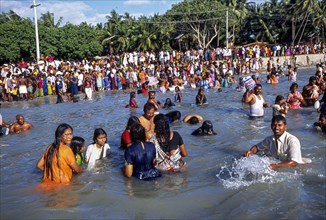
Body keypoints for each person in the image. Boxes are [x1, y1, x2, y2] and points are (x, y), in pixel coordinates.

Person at [244, 115, 310, 169]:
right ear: (271, 126)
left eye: (279, 125)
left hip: (298, 168)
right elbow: (257, 147)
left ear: (285, 127)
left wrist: (273, 166)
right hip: (280, 165)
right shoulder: (269, 139)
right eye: (274, 125)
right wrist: (251, 152)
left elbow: (294, 163)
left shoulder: (292, 140)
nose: (276, 128)